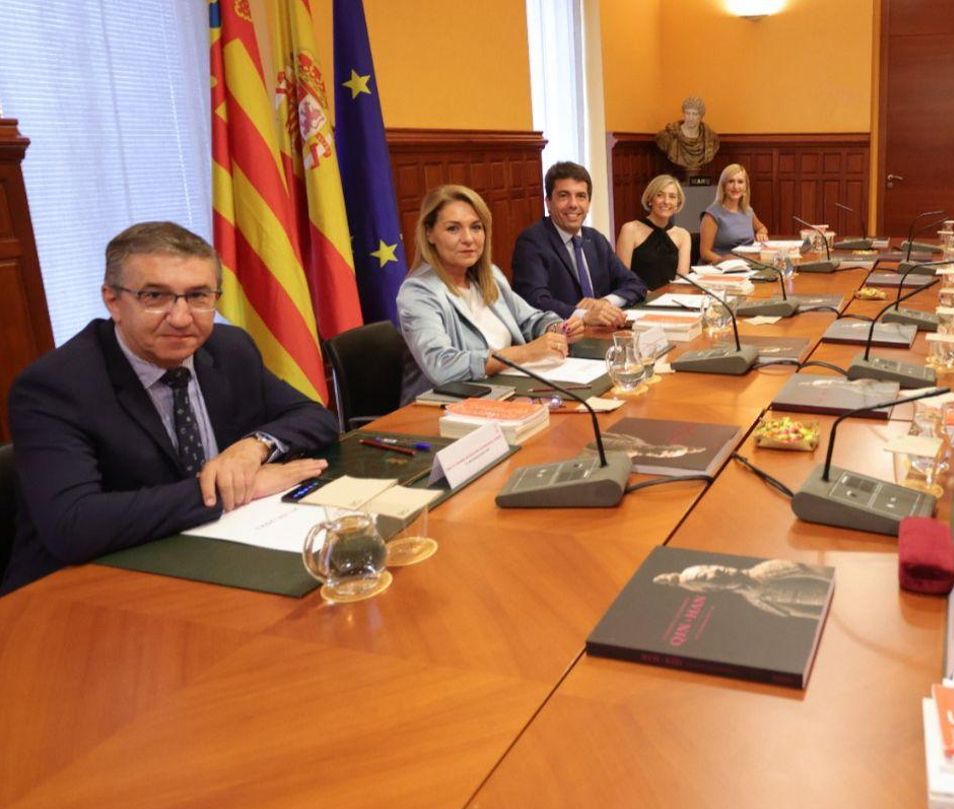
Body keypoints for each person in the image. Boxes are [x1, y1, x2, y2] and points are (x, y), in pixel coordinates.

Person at [2, 222, 338, 594]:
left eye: (198, 296)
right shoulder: (55, 387)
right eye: (155, 297)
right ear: (113, 300)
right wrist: (235, 488)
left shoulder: (229, 348)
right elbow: (74, 525)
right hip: (78, 591)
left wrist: (253, 447)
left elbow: (316, 418)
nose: (181, 318)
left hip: (207, 558)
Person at [398, 184, 579, 404]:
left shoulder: (489, 276)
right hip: (445, 409)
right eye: (453, 229)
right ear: (429, 233)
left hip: (507, 393)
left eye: (476, 227)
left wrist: (557, 329)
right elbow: (442, 365)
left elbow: (529, 319)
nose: (468, 238)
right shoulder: (418, 292)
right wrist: (524, 353)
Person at [512, 161, 646, 328]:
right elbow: (534, 300)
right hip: (561, 338)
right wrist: (584, 315)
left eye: (581, 196)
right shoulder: (532, 242)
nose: (573, 204)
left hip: (602, 333)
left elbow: (635, 284)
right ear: (548, 202)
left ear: (588, 203)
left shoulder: (596, 239)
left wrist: (604, 303)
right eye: (563, 195)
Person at [617, 174, 692, 290]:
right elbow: (622, 278)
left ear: (677, 203)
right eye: (660, 195)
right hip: (637, 299)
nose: (666, 201)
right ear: (650, 199)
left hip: (670, 301)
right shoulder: (630, 229)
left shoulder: (683, 235)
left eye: (672, 197)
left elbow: (681, 281)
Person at [700, 163, 769, 264]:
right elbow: (705, 253)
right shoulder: (712, 214)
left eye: (740, 182)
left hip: (748, 265)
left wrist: (761, 232)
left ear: (746, 187)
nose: (736, 187)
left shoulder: (748, 211)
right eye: (731, 181)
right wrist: (727, 262)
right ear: (723, 186)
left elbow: (761, 227)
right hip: (722, 268)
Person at [654, 95, 720, 180]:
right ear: (683, 114)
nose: (691, 118)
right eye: (688, 113)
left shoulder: (711, 138)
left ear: (701, 116)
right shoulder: (669, 136)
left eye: (695, 114)